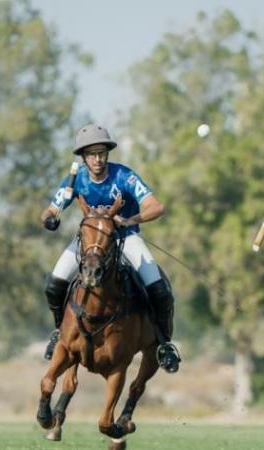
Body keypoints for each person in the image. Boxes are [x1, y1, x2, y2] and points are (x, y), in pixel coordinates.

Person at [38, 123, 181, 372]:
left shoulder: (124, 176)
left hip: (125, 238)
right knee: (54, 284)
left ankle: (163, 343)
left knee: (159, 289)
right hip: (89, 242)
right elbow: (50, 210)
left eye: (102, 153)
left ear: (107, 154)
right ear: (83, 157)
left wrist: (130, 220)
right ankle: (59, 331)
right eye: (91, 154)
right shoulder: (75, 181)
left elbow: (156, 207)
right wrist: (50, 219)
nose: (97, 159)